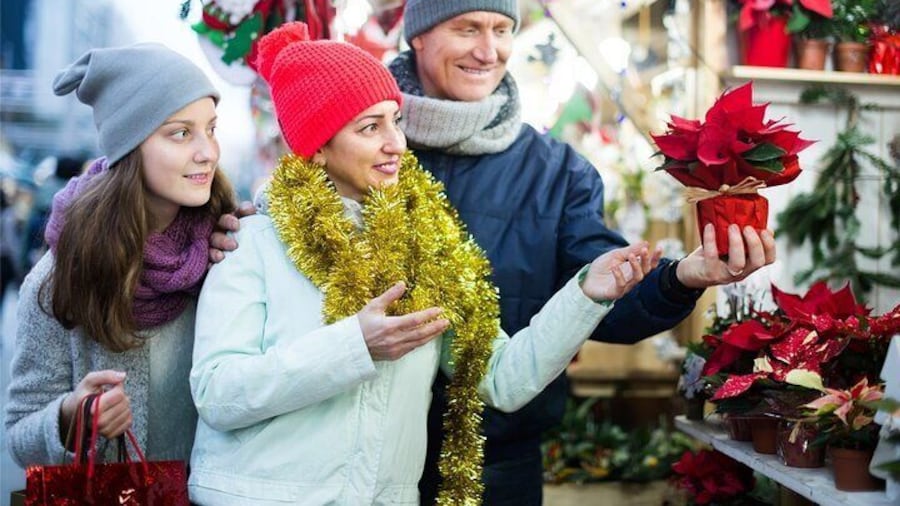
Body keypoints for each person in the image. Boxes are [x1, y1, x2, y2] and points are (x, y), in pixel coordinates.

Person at [188, 22, 658, 505]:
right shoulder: (253, 243)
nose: (397, 143)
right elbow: (217, 393)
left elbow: (503, 378)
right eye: (370, 127)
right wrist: (355, 345)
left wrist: (586, 294)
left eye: (395, 119)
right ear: (319, 147)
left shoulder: (427, 251)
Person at [390, 1, 777, 504]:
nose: (489, 51)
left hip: (497, 468)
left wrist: (682, 277)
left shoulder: (555, 173)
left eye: (502, 29)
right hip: (354, 456)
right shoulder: (366, 148)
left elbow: (604, 304)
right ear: (418, 35)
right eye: (467, 29)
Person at [4, 43, 236, 466]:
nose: (207, 151)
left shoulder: (224, 250)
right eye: (181, 132)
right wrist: (71, 416)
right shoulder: (63, 275)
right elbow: (20, 436)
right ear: (130, 146)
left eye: (211, 128)